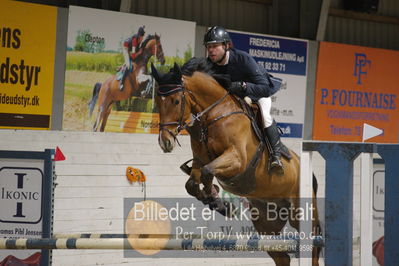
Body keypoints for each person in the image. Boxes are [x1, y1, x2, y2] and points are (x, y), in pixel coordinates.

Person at [204, 26, 285, 174]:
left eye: (215, 46)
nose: (211, 50)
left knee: (266, 117)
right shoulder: (209, 65)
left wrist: (243, 86)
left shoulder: (243, 59)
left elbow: (264, 88)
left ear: (226, 46)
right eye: (208, 47)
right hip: (232, 98)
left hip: (256, 93)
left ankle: (276, 155)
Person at [120, 25, 146, 90]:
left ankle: (124, 64)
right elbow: (133, 56)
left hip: (130, 49)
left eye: (143, 37)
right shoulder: (134, 41)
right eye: (141, 38)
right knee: (128, 65)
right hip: (126, 48)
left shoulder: (139, 39)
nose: (142, 39)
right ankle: (121, 83)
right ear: (139, 36)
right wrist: (139, 52)